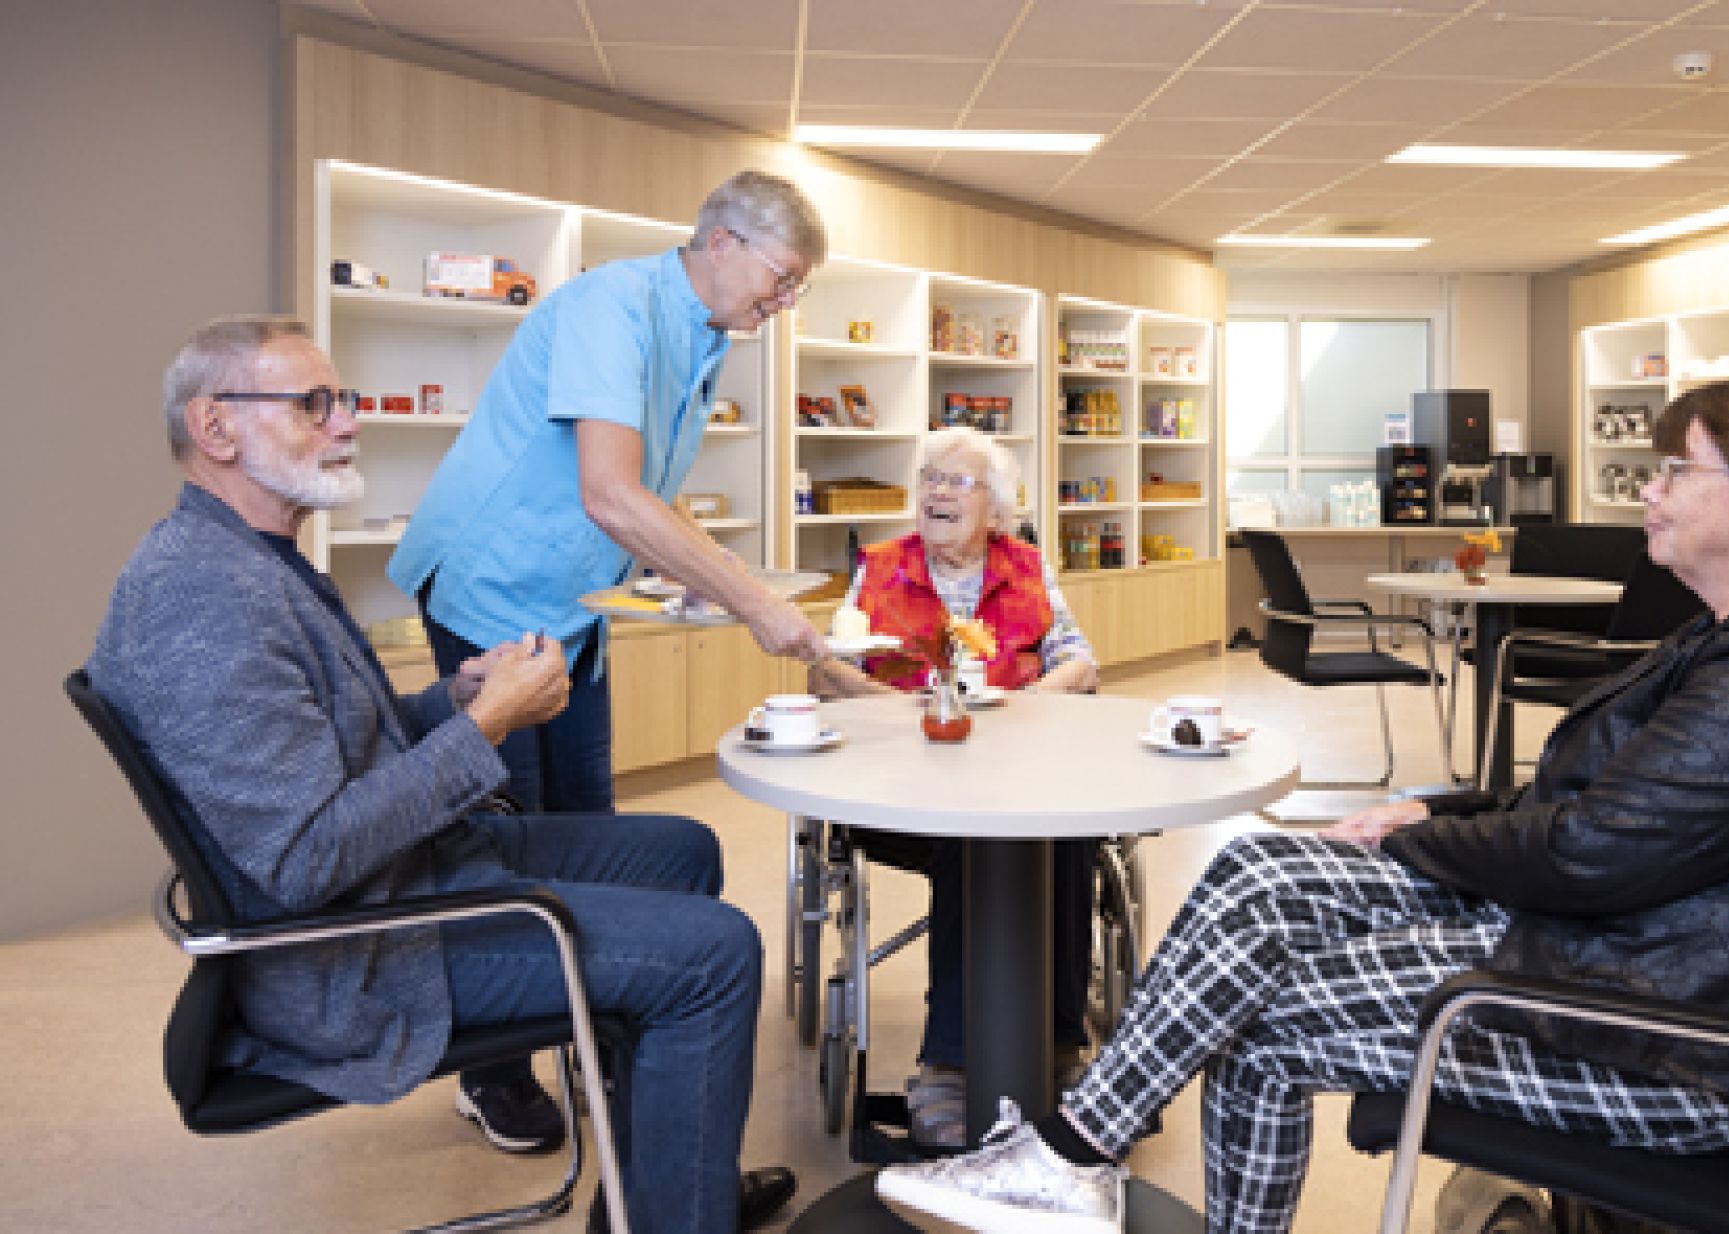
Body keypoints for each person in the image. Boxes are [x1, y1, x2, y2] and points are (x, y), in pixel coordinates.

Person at [876, 377, 1729, 1233]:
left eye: (1675, 470)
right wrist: (1431, 814)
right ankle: (1074, 1157)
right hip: (1623, 956)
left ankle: (1068, 1155)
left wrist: (1426, 844)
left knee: (1259, 1023)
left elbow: (1590, 851)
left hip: (1675, 1043)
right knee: (1258, 869)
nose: (1649, 490)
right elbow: (1604, 808)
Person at [87, 317, 796, 1234]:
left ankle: (663, 1187)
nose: (348, 423)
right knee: (715, 953)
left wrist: (455, 700)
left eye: (343, 400)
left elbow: (335, 750)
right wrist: (489, 724)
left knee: (682, 849)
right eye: (314, 405)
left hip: (409, 874)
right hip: (361, 951)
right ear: (215, 427)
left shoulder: (251, 560)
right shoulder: (202, 597)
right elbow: (304, 859)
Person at [387, 168, 830, 1141]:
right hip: (493, 586)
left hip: (573, 605)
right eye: (784, 277)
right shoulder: (611, 306)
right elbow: (611, 493)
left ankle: (599, 1029)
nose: (787, 301)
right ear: (722, 242)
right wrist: (752, 603)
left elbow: (647, 502)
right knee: (504, 832)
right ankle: (489, 1068)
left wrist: (712, 577)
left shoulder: (704, 335)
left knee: (587, 823)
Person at [809, 426, 1099, 1147]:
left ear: (996, 510)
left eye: (957, 481)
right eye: (929, 478)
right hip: (898, 786)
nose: (937, 492)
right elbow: (827, 670)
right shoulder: (881, 568)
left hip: (1017, 771)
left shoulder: (1027, 566)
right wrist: (901, 708)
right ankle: (948, 1062)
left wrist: (1029, 703)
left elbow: (1079, 660)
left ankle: (1061, 1043)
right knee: (974, 835)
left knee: (1071, 826)